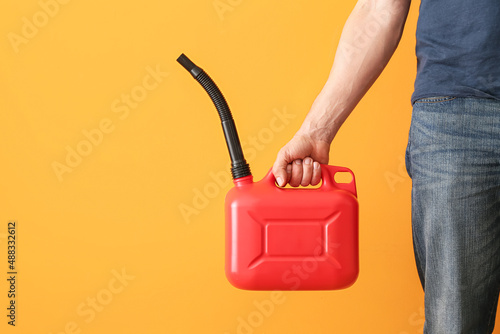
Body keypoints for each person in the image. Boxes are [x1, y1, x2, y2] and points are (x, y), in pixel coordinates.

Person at [272, 0, 500, 332]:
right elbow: (380, 8)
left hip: (453, 120)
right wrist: (316, 130)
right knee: (455, 323)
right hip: (455, 116)